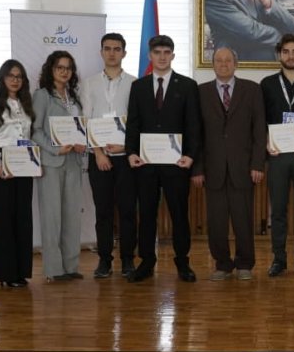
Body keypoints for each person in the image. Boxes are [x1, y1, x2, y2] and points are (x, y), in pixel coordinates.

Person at [125, 35, 201, 283]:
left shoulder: (187, 86)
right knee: (146, 213)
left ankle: (183, 262)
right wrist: (131, 152)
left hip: (177, 164)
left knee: (179, 214)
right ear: (149, 56)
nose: (161, 56)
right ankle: (146, 261)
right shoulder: (138, 86)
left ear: (173, 56)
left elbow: (193, 126)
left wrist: (190, 156)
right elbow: (133, 124)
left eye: (166, 52)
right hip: (145, 164)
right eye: (157, 52)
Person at [194, 47, 267, 281]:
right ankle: (222, 264)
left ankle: (245, 263)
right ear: (212, 64)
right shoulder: (201, 92)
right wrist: (197, 169)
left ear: (236, 63)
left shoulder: (252, 90)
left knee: (243, 218)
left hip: (243, 168)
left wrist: (258, 163)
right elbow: (196, 134)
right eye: (218, 60)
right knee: (216, 221)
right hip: (212, 168)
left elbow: (259, 130)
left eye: (228, 60)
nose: (223, 64)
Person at [80, 33, 137, 279]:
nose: (112, 53)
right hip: (99, 158)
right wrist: (99, 153)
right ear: (101, 52)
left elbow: (136, 122)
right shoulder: (88, 84)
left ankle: (127, 260)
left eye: (117, 49)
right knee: (102, 211)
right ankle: (104, 260)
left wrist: (124, 146)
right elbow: (86, 120)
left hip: (126, 158)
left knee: (127, 211)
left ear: (124, 53)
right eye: (107, 48)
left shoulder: (136, 84)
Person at [260, 34, 294, 279]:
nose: (291, 56)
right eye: (286, 51)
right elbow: (260, 118)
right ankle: (279, 258)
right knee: (279, 210)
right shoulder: (267, 84)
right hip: (278, 154)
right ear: (279, 54)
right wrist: (265, 142)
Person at [0, 59, 36, 288]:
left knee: (23, 218)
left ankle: (21, 271)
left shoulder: (26, 104)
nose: (15, 80)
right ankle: (5, 273)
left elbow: (29, 136)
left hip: (23, 162)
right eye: (11, 76)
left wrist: (33, 162)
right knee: (3, 219)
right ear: (2, 78)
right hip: (0, 164)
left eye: (19, 76)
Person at [32, 51, 86, 282]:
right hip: (52, 163)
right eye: (59, 67)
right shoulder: (42, 95)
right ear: (51, 70)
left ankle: (71, 266)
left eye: (68, 68)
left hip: (74, 162)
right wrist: (55, 148)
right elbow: (35, 130)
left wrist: (83, 144)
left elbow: (81, 128)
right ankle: (54, 270)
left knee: (72, 215)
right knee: (52, 216)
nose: (64, 71)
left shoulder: (75, 97)